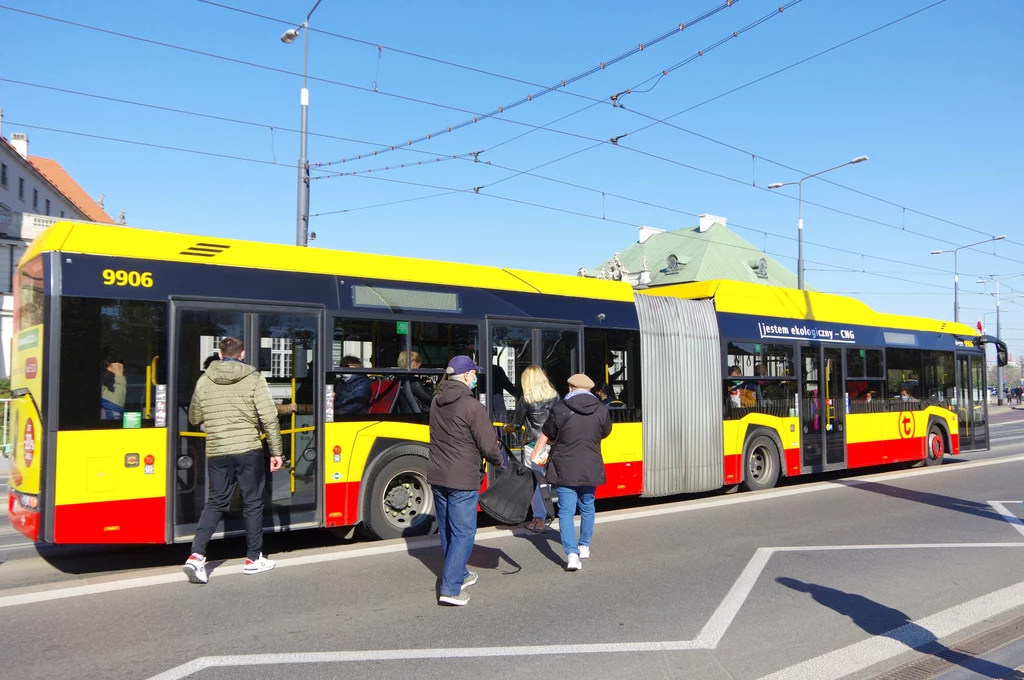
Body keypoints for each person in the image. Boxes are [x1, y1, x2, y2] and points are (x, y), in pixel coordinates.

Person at [182, 336, 283, 585]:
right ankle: (253, 559)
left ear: (219, 355)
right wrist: (276, 452)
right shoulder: (254, 377)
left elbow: (194, 417)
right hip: (248, 449)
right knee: (252, 502)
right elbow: (269, 418)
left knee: (215, 502)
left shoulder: (204, 380)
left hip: (217, 451)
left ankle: (196, 556)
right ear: (242, 354)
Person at [428, 355, 504, 606]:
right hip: (463, 478)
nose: (475, 378)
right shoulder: (472, 406)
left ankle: (459, 572)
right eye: (474, 374)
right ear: (465, 376)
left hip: (438, 475)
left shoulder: (436, 401)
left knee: (448, 529)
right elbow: (487, 443)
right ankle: (450, 589)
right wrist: (500, 461)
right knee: (463, 532)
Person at [531, 373, 612, 571]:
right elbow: (606, 432)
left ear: (570, 388)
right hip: (591, 465)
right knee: (587, 505)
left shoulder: (560, 409)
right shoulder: (601, 409)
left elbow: (549, 432)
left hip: (565, 466)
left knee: (566, 511)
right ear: (590, 389)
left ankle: (572, 555)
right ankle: (584, 546)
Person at [505, 365, 559, 533]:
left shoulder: (526, 399)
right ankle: (548, 513)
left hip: (533, 445)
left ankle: (539, 520)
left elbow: (517, 424)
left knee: (535, 482)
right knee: (546, 481)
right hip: (550, 443)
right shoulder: (555, 396)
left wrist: (506, 428)